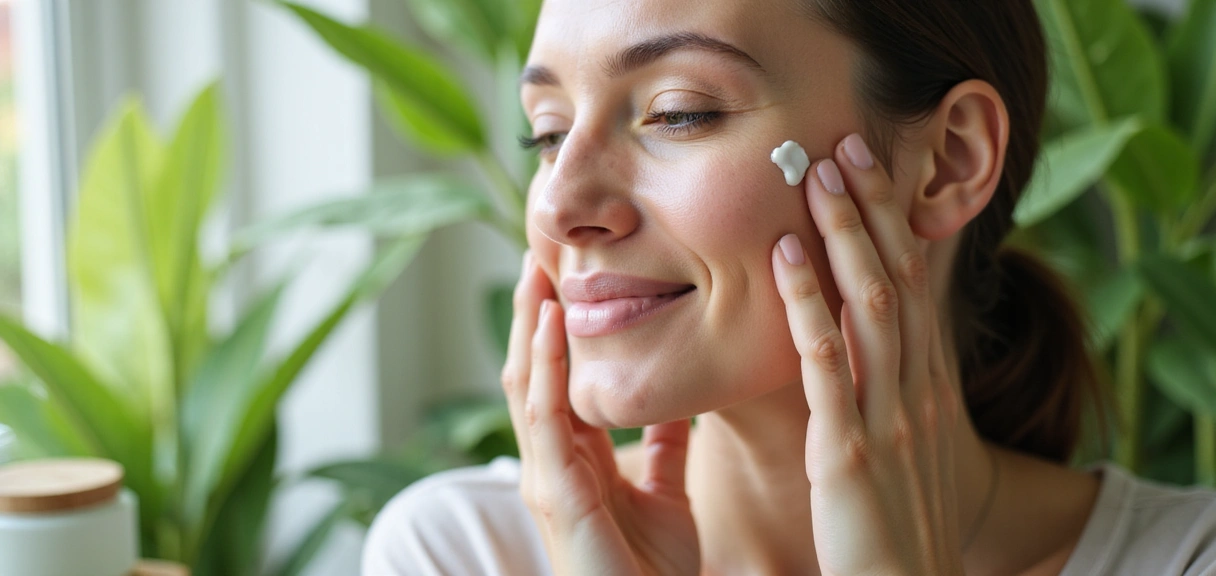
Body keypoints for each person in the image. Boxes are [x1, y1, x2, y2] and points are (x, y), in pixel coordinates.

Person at [363, 0, 1216, 574]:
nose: (556, 203)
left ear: (949, 161)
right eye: (545, 133)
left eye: (678, 110)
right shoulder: (463, 553)